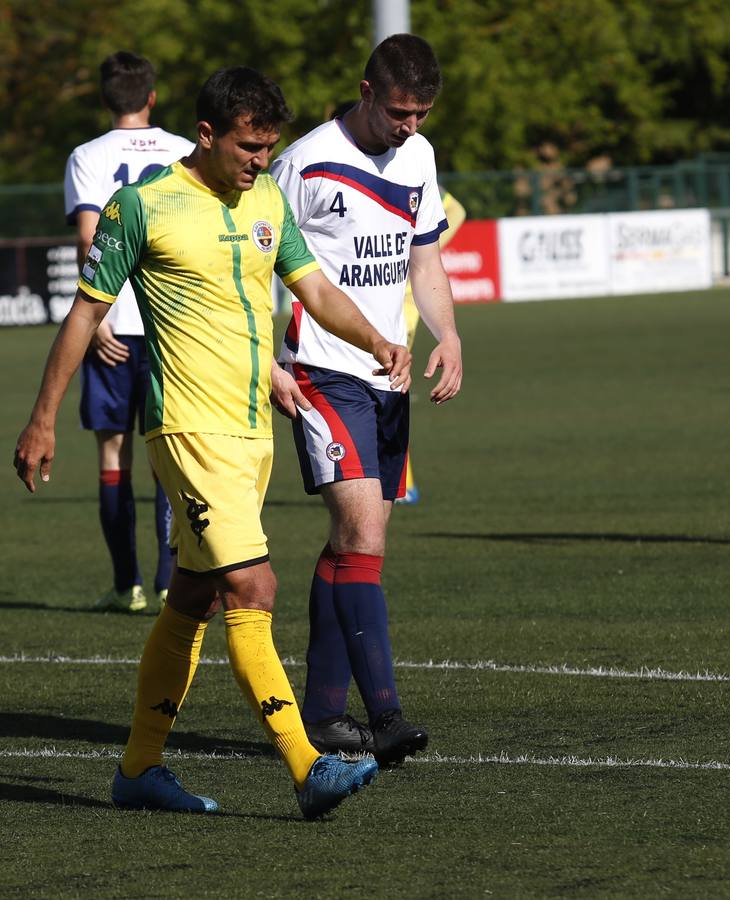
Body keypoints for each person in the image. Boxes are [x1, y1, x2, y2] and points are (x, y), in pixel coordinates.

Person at [13, 66, 409, 818]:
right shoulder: (144, 206)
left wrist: (378, 339)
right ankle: (307, 766)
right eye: (249, 147)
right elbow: (82, 313)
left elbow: (314, 288)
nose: (262, 161)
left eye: (269, 147)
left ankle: (139, 771)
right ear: (207, 134)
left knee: (192, 595)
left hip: (251, 430)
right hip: (187, 430)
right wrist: (42, 417)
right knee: (253, 586)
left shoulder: (265, 199)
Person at [268, 34, 464, 765]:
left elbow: (425, 256)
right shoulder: (304, 162)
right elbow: (256, 268)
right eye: (401, 112)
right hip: (320, 370)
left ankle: (320, 713)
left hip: (390, 376)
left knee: (355, 543)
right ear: (367, 91)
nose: (410, 127)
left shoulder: (419, 156)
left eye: (422, 114)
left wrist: (449, 335)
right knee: (365, 539)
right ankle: (385, 715)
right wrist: (270, 362)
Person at [64, 51, 193, 613]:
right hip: (172, 326)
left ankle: (127, 587)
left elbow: (90, 242)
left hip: (111, 327)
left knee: (113, 456)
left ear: (104, 96)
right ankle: (169, 582)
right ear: (152, 96)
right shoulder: (187, 151)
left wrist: (97, 321)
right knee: (169, 457)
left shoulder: (87, 155)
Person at [396, 187, 465, 505]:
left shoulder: (414, 167)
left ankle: (401, 483)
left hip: (405, 302)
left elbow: (457, 211)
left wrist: (423, 250)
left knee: (391, 383)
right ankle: (397, 481)